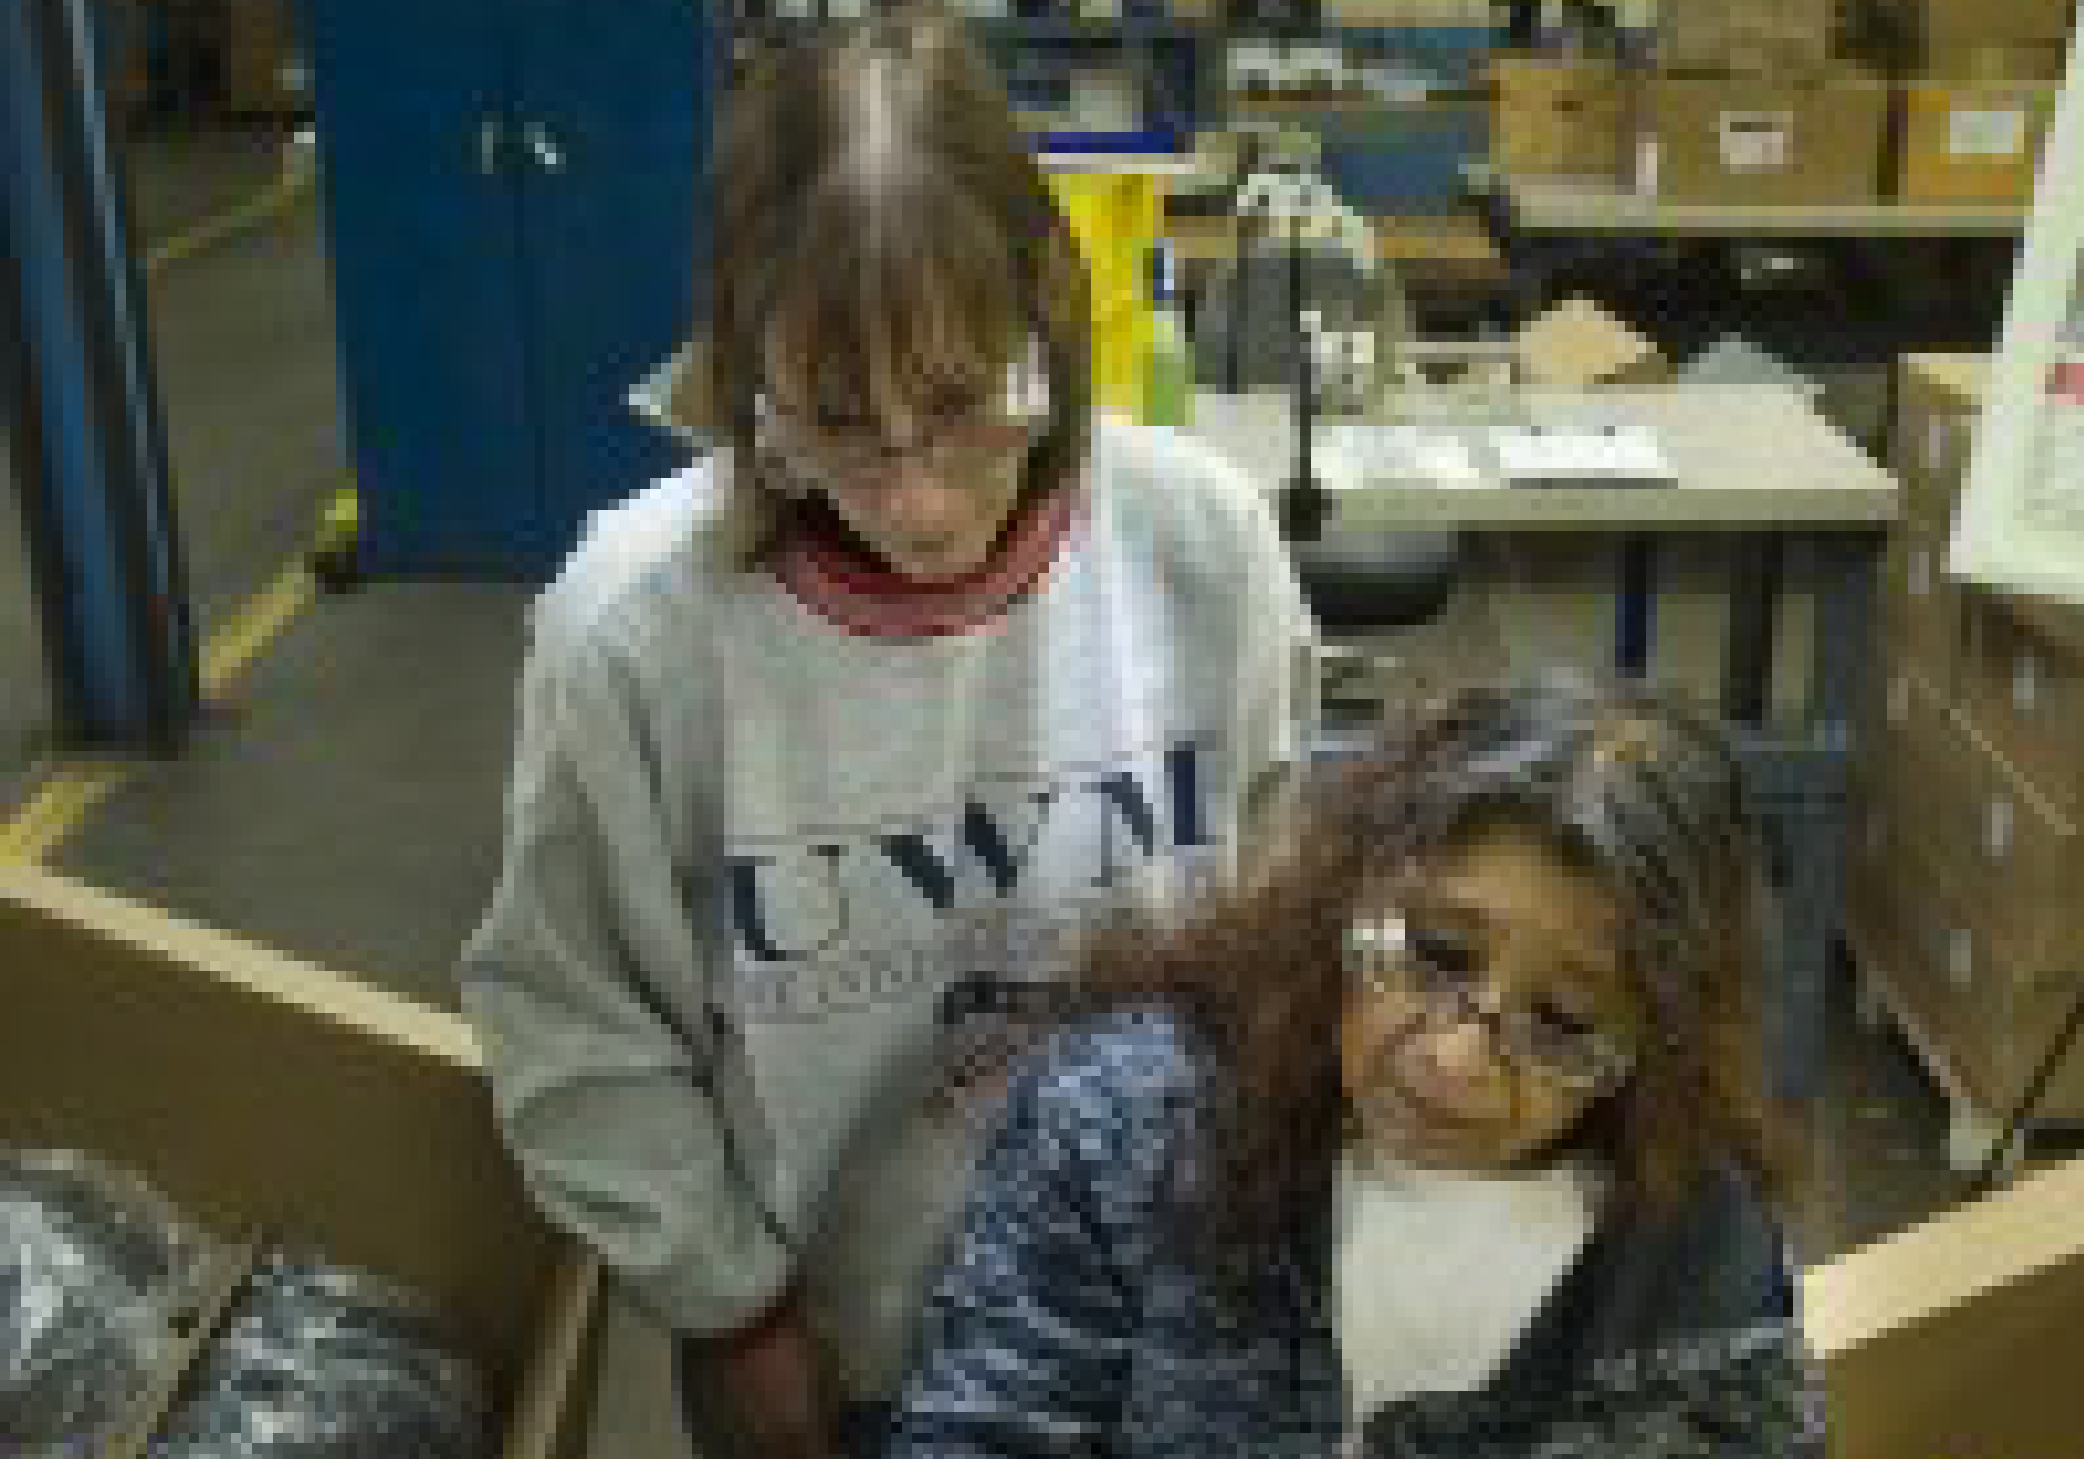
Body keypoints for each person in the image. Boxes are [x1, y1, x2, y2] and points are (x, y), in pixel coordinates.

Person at [455, 11, 1315, 1459]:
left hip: (1162, 1319)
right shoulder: (639, 635)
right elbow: (572, 1013)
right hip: (839, 1349)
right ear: (747, 369)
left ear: (1047, 309)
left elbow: (1281, 916)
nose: (916, 502)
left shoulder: (1198, 547)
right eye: (841, 428)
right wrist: (734, 1309)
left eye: (965, 406)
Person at [887, 671, 1815, 1459]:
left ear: (1657, 1045)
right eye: (1436, 953)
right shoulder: (1122, 1124)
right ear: (1346, 895)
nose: (1455, 1060)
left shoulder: (1695, 1231)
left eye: (1564, 1020)